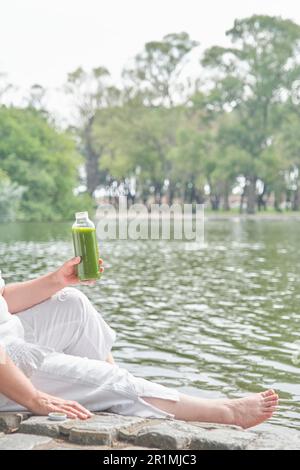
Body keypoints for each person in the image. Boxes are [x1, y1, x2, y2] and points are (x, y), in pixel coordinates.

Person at [0, 257, 278, 428]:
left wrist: (57, 279)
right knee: (110, 380)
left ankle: (122, 393)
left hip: (9, 335)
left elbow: (4, 299)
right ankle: (226, 412)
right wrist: (34, 399)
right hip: (6, 363)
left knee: (72, 302)